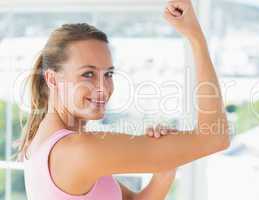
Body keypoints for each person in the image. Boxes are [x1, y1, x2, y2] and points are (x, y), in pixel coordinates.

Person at [16, 0, 230, 199]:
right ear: (52, 79)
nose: (103, 88)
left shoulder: (45, 143)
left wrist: (166, 164)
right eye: (88, 74)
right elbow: (214, 138)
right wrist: (196, 38)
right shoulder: (77, 150)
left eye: (108, 74)